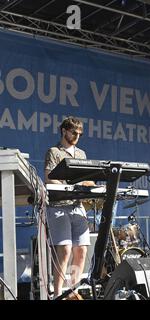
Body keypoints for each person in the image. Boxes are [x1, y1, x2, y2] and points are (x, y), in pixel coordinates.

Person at [44, 117, 95, 298]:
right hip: (58, 206)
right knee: (64, 250)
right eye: (74, 132)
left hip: (77, 206)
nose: (77, 136)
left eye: (80, 134)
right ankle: (57, 293)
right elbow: (49, 177)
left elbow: (85, 178)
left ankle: (73, 291)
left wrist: (93, 184)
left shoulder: (81, 154)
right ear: (64, 131)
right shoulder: (54, 152)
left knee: (81, 250)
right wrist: (70, 188)